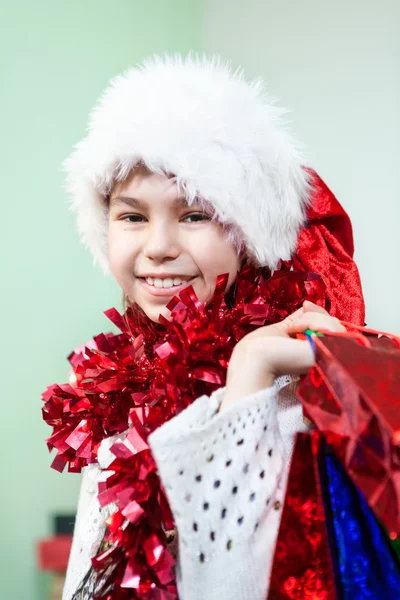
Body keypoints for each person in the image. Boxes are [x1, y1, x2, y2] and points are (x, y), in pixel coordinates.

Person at [45, 54, 367, 599]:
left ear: (249, 235)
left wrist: (248, 373)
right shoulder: (118, 390)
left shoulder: (296, 397)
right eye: (132, 216)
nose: (159, 247)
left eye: (195, 215)